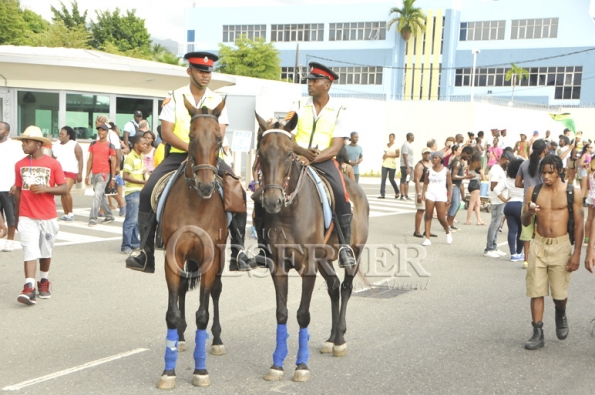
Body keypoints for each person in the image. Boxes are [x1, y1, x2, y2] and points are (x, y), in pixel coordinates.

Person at [126, 51, 256, 273]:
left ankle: (239, 251)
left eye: (208, 71)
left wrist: (203, 153)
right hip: (179, 154)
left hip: (210, 158)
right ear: (189, 71)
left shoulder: (218, 100)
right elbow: (166, 133)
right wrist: (192, 149)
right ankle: (144, 252)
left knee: (238, 191)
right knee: (148, 191)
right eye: (200, 70)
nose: (206, 75)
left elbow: (220, 134)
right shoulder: (174, 97)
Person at [268, 61, 355, 268]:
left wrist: (312, 158)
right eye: (309, 80)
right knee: (267, 190)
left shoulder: (340, 110)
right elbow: (286, 136)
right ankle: (264, 245)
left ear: (327, 84)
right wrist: (301, 153)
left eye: (315, 81)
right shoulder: (296, 106)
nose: (310, 84)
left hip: (325, 161)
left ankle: (344, 247)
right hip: (295, 158)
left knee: (341, 196)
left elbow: (335, 147)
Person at [522, 155, 583, 350]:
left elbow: (580, 224)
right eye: (543, 173)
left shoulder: (573, 192)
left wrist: (577, 254)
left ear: (560, 171)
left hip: (561, 245)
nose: (546, 176)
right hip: (539, 244)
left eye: (551, 172)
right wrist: (529, 213)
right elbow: (524, 221)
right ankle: (537, 332)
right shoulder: (533, 191)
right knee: (536, 290)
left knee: (559, 293)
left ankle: (560, 311)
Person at [12, 126, 67, 305]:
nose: (23, 144)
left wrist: (46, 189)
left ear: (38, 144)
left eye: (27, 141)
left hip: (48, 216)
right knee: (29, 249)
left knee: (45, 251)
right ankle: (29, 287)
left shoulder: (53, 164)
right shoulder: (20, 165)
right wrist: (17, 215)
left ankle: (43, 281)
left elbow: (64, 188)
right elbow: (19, 191)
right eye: (22, 141)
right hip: (27, 215)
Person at [516, 140, 548, 269]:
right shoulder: (545, 165)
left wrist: (529, 186)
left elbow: (517, 183)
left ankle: (526, 260)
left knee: (526, 232)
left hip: (527, 200)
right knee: (543, 231)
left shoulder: (524, 164)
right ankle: (541, 257)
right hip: (542, 200)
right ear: (544, 150)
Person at [483, 150, 515, 258]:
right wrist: (505, 194)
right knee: (495, 224)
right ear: (505, 159)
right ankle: (489, 248)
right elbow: (494, 187)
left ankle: (494, 246)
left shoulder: (500, 169)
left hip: (501, 200)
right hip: (497, 201)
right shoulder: (496, 170)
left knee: (498, 225)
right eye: (509, 162)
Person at [85, 124, 117, 227]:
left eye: (103, 130)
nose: (100, 132)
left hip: (104, 174)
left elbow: (113, 162)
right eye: (99, 130)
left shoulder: (110, 146)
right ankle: (109, 215)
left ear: (107, 132)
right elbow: (90, 160)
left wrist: (112, 178)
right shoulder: (93, 144)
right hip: (94, 173)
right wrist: (87, 175)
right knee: (101, 196)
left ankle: (93, 218)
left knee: (97, 195)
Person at [121, 135, 148, 255]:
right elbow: (125, 176)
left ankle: (134, 243)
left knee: (137, 220)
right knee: (131, 220)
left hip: (140, 191)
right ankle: (125, 245)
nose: (146, 145)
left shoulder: (140, 156)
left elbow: (138, 173)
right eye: (143, 143)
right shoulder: (130, 157)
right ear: (136, 145)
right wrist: (143, 182)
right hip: (132, 192)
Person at [0, 121, 24, 252]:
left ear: (6, 132)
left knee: (11, 216)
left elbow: (20, 167)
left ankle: (10, 240)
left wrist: (16, 184)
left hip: (9, 187)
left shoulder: (14, 146)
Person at [421, 151, 453, 246]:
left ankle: (447, 231)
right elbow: (426, 183)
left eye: (435, 158)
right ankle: (427, 238)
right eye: (433, 158)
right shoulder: (429, 170)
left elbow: (450, 185)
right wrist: (423, 193)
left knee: (441, 217)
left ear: (440, 159)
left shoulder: (446, 171)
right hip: (430, 194)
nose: (433, 159)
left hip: (441, 195)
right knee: (428, 215)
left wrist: (449, 196)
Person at [52, 126, 83, 221]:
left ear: (68, 136)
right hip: (59, 171)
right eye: (59, 134)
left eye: (62, 134)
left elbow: (80, 159)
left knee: (66, 191)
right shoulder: (56, 144)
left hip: (71, 171)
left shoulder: (74, 144)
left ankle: (71, 213)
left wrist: (80, 173)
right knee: (62, 192)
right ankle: (66, 213)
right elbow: (53, 158)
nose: (60, 136)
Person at [501, 159, 526, 262]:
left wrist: (505, 200)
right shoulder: (524, 180)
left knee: (512, 230)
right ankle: (519, 252)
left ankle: (513, 254)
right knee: (521, 231)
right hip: (521, 205)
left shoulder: (507, 179)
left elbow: (497, 190)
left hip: (509, 205)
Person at [447, 145, 474, 231]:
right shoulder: (457, 163)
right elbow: (453, 176)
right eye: (468, 156)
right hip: (453, 186)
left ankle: (450, 224)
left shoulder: (460, 162)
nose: (469, 158)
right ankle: (447, 225)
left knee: (457, 205)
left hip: (457, 186)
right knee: (454, 205)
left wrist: (463, 194)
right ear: (465, 153)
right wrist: (466, 177)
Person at [413, 148, 435, 238]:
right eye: (425, 154)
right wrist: (419, 193)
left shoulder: (432, 164)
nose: (427, 155)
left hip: (430, 187)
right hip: (422, 186)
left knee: (430, 210)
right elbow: (417, 180)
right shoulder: (420, 165)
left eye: (429, 154)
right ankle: (417, 231)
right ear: (422, 154)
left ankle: (427, 230)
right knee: (421, 209)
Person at [465, 152, 487, 225]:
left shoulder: (470, 166)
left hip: (471, 184)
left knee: (478, 203)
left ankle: (479, 220)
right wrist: (482, 176)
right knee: (472, 203)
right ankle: (468, 220)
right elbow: (484, 178)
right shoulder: (479, 168)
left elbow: (467, 173)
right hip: (476, 185)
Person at [378, 133, 400, 199]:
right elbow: (385, 153)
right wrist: (384, 156)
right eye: (390, 137)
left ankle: (397, 191)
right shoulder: (386, 145)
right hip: (385, 164)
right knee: (383, 179)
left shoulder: (396, 146)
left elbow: (397, 155)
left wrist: (389, 156)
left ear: (394, 138)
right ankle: (382, 194)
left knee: (391, 179)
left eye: (392, 137)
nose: (391, 138)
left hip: (392, 164)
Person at [400, 133, 415, 200]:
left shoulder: (409, 145)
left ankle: (406, 195)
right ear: (410, 137)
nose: (414, 138)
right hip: (405, 165)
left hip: (410, 165)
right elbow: (405, 156)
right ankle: (402, 195)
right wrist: (408, 167)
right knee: (403, 180)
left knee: (407, 180)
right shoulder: (406, 145)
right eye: (413, 137)